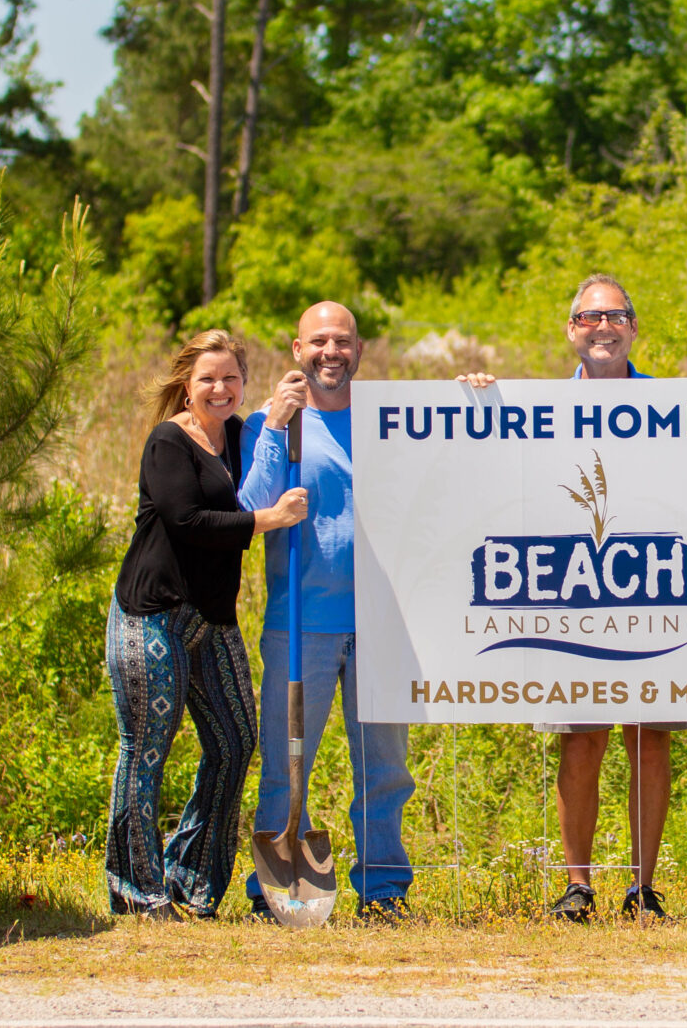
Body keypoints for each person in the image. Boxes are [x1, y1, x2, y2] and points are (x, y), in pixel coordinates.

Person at [463, 272, 683, 922]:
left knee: (650, 739)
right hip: (571, 598)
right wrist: (480, 401)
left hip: (651, 593)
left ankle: (644, 889)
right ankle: (577, 885)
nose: (603, 327)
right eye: (590, 318)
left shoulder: (672, 403)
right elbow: (498, 470)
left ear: (634, 327)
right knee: (581, 741)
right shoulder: (537, 405)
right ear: (571, 330)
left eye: (615, 315)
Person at [106, 329, 308, 919]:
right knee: (146, 749)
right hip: (152, 614)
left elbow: (277, 445)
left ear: (244, 381)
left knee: (236, 741)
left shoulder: (244, 435)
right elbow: (187, 519)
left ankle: (191, 880)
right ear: (186, 387)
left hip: (211, 619)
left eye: (230, 378)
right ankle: (136, 889)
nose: (220, 389)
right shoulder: (169, 440)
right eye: (207, 380)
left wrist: (283, 404)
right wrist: (268, 520)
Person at [240, 301, 415, 921]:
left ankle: (385, 890)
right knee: (286, 765)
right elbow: (251, 509)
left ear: (360, 351)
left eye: (343, 341)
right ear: (296, 350)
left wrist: (471, 397)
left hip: (381, 625)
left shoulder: (391, 421)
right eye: (319, 342)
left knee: (384, 770)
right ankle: (276, 886)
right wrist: (271, 426)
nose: (331, 352)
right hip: (299, 626)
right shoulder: (271, 423)